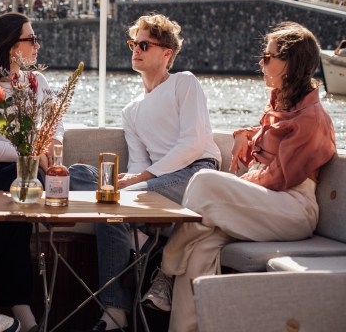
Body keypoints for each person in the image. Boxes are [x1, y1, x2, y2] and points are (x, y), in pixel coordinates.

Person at [143, 21, 336, 332]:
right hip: (267, 203)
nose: (261, 62)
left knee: (206, 180)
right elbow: (269, 145)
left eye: (268, 57)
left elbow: (280, 177)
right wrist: (245, 135)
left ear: (290, 63)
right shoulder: (282, 106)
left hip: (293, 208)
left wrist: (237, 183)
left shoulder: (313, 118)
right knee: (201, 251)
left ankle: (165, 267)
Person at [0, 12, 96, 332]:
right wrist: (35, 152)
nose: (37, 45)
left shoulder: (36, 82)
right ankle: (24, 312)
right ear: (8, 45)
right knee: (21, 190)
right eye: (31, 39)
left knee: (21, 191)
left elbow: (55, 123)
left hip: (24, 168)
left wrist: (49, 148)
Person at [90, 13, 221, 332]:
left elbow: (193, 144)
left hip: (197, 175)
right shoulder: (131, 111)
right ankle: (116, 308)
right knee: (98, 197)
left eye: (145, 44)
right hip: (157, 181)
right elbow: (137, 162)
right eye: (134, 42)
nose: (136, 48)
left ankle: (147, 250)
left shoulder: (184, 83)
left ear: (167, 53)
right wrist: (130, 180)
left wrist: (139, 179)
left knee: (116, 201)